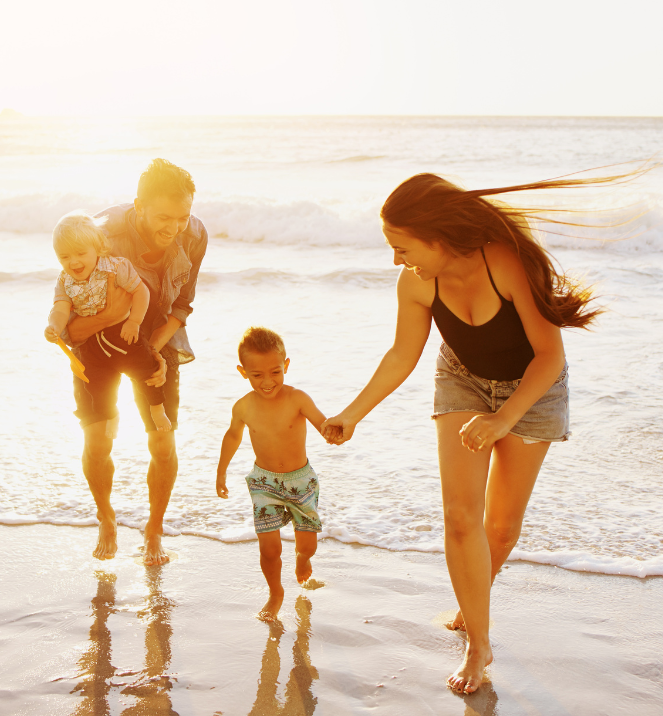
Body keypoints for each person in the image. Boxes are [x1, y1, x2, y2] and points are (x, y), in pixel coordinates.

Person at [322, 170, 630, 694]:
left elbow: (550, 356)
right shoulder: (418, 281)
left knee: (502, 529)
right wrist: (353, 413)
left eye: (401, 246)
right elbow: (402, 355)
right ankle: (479, 644)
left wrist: (503, 418)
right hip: (462, 380)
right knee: (460, 517)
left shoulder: (506, 262)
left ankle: (473, 597)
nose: (397, 259)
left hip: (533, 391)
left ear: (436, 236)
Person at [60, 158, 207, 566]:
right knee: (99, 439)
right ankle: (106, 517)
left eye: (182, 216)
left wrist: (155, 349)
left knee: (162, 440)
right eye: (164, 216)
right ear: (138, 205)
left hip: (156, 339)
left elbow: (182, 303)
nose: (173, 227)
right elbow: (70, 329)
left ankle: (154, 527)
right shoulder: (99, 234)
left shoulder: (194, 235)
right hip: (97, 345)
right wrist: (111, 318)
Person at [216, 327, 331, 622]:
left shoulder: (298, 398)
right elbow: (232, 437)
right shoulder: (243, 406)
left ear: (286, 366)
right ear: (243, 372)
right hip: (264, 483)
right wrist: (221, 471)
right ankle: (275, 592)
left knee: (308, 545)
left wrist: (336, 431)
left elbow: (323, 424)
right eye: (257, 375)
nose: (268, 382)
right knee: (269, 548)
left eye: (275, 372)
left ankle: (302, 559)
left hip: (301, 482)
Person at [44, 212, 171, 436]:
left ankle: (157, 408)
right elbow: (60, 308)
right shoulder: (64, 281)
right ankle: (111, 414)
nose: (73, 262)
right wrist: (53, 326)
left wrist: (134, 321)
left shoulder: (115, 268)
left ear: (98, 248)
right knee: (95, 383)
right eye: (64, 257)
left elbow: (140, 291)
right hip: (90, 341)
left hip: (121, 332)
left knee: (146, 368)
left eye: (81, 253)